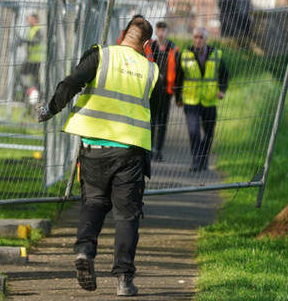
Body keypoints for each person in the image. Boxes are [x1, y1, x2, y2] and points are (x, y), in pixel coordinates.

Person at [36, 15, 164, 297]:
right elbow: (156, 112)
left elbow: (71, 83)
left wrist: (49, 110)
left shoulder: (101, 56)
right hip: (130, 152)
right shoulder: (153, 72)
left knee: (92, 203)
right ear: (146, 44)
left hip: (94, 148)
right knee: (127, 216)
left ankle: (84, 251)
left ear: (122, 34)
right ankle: (123, 280)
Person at [175, 27, 229, 172]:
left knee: (209, 133)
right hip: (191, 100)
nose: (198, 40)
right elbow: (178, 77)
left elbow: (224, 74)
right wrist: (178, 97)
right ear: (193, 39)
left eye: (201, 37)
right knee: (194, 132)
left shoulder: (216, 54)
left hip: (210, 100)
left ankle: (204, 159)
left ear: (206, 39)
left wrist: (222, 90)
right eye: (196, 37)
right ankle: (196, 161)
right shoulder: (185, 55)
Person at [144, 21, 179, 162]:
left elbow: (178, 70)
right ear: (156, 32)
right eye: (159, 30)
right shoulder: (150, 47)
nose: (161, 33)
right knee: (152, 120)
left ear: (167, 32)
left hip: (167, 90)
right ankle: (150, 148)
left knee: (163, 122)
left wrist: (177, 92)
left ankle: (159, 150)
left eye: (164, 30)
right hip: (152, 89)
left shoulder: (173, 48)